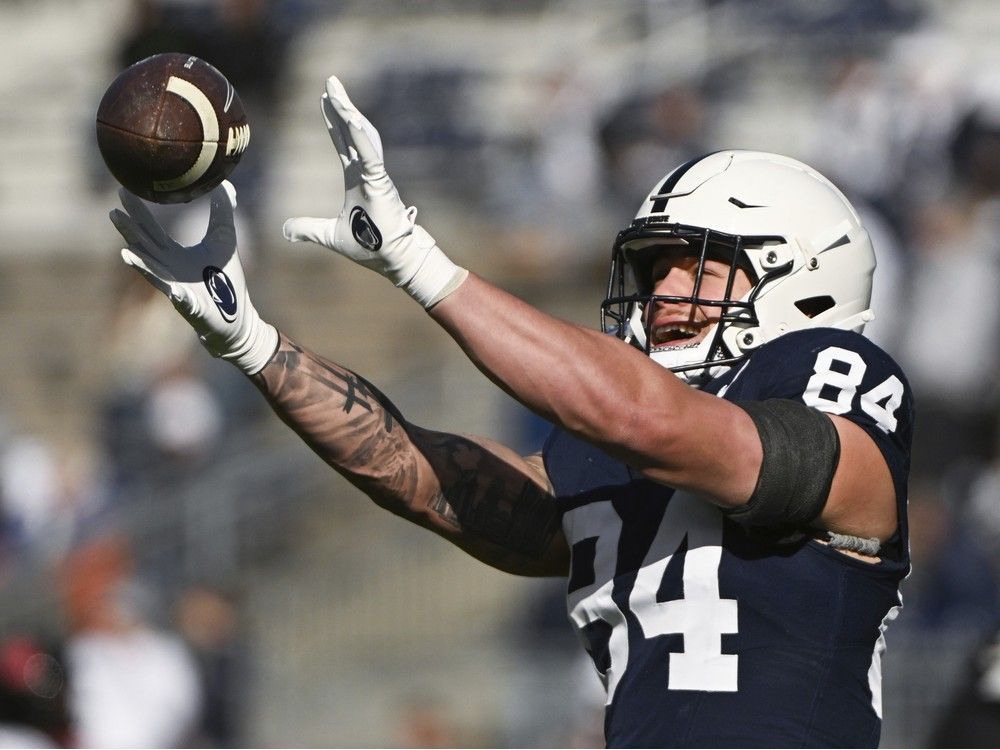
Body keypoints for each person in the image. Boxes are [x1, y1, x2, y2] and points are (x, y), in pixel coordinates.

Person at [108, 75, 914, 748]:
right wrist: (256, 346)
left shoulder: (827, 377)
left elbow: (661, 426)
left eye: (694, 267)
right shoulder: (635, 445)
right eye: (655, 268)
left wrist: (422, 265)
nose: (663, 292)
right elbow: (434, 480)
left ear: (799, 274)